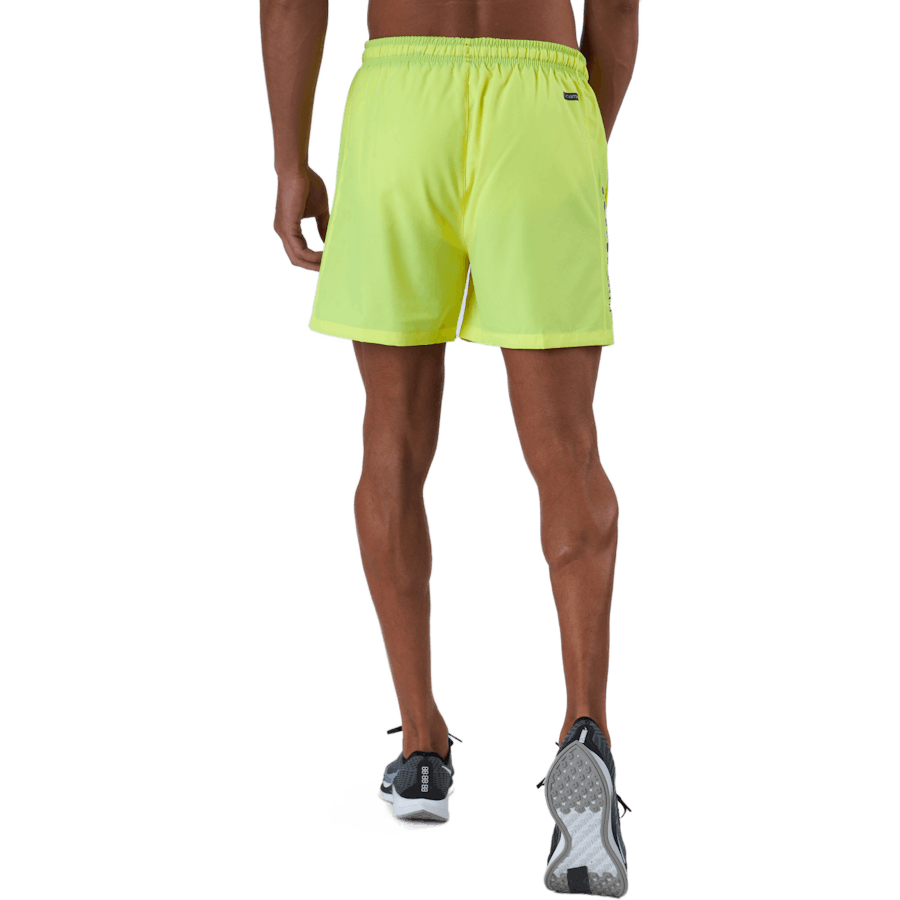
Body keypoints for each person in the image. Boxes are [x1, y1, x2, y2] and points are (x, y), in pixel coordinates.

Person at [259, 1, 641, 895]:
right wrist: (572, 137)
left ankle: (422, 755)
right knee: (567, 450)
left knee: (390, 444)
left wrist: (289, 162)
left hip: (401, 101)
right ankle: (585, 739)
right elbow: (618, 8)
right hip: (542, 93)